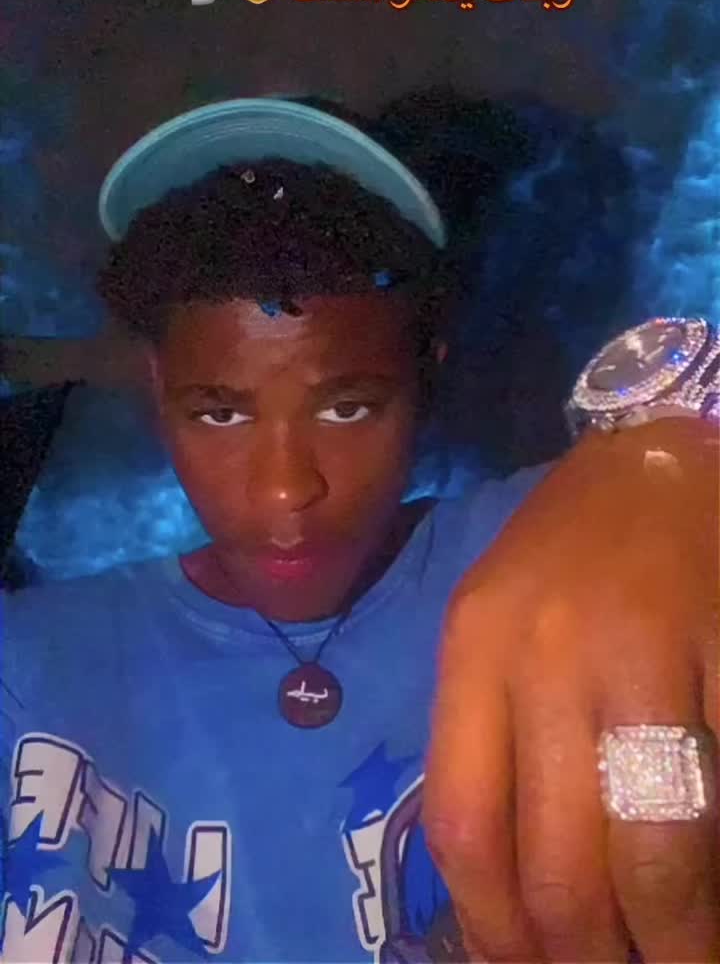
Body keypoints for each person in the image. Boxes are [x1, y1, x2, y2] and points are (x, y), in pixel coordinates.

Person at [1, 97, 717, 964]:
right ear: (158, 390)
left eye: (347, 407)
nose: (285, 489)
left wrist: (673, 449)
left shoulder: (547, 542)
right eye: (220, 413)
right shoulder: (26, 659)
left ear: (424, 375)